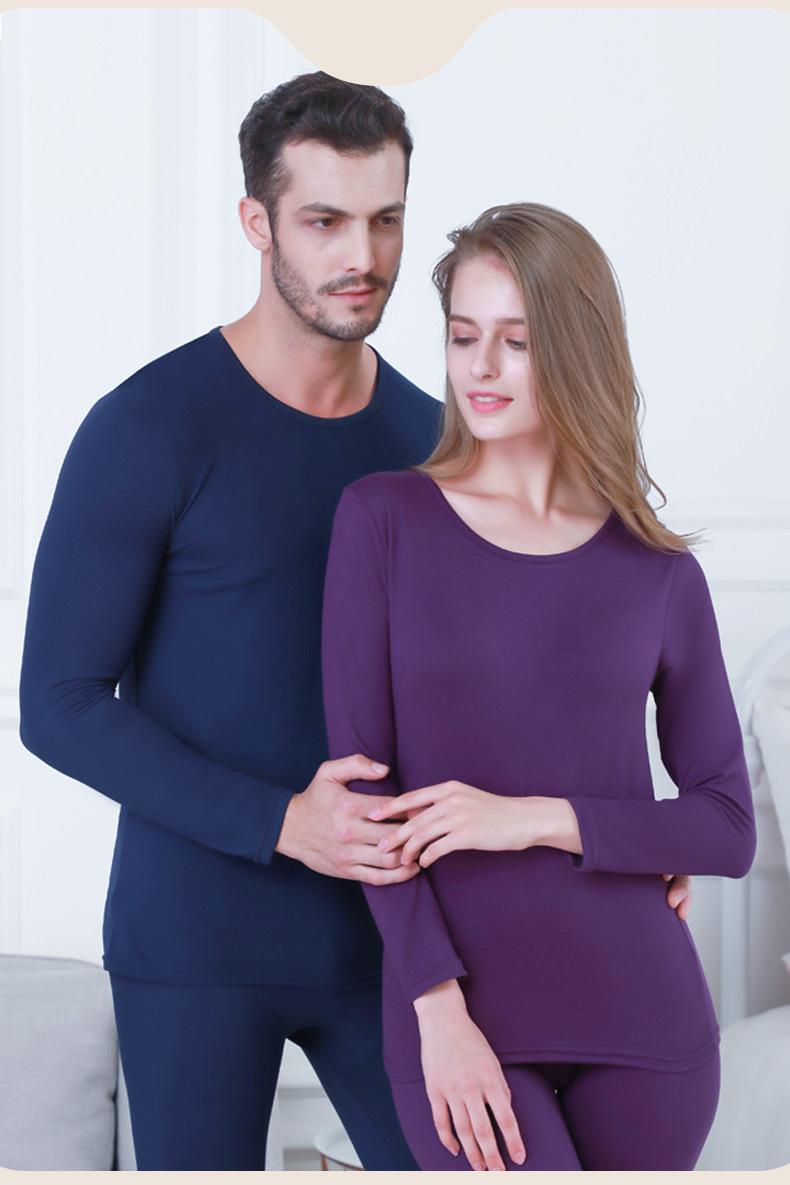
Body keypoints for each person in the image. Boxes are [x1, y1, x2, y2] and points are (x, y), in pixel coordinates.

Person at [18, 71, 438, 1171]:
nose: (363, 255)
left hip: (397, 943)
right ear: (257, 222)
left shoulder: (435, 444)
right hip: (194, 945)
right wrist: (282, 821)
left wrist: (606, 850)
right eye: (324, 221)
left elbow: (491, 692)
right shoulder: (148, 426)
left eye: (385, 219)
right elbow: (56, 704)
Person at [320, 202, 757, 1171]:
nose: (480, 367)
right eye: (462, 336)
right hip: (460, 1019)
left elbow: (726, 827)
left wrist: (530, 819)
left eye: (515, 342)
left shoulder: (657, 571)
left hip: (647, 1023)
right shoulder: (384, 521)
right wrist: (437, 1011)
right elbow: (363, 801)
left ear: (574, 350)